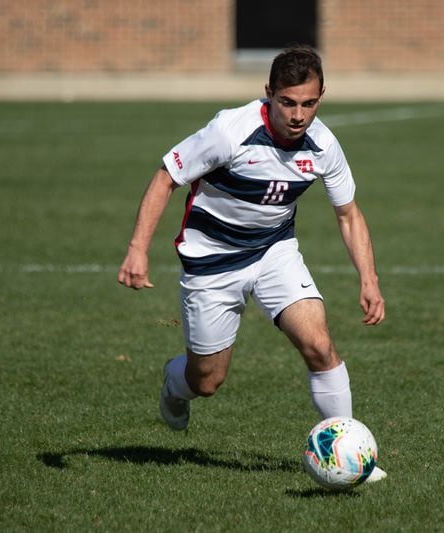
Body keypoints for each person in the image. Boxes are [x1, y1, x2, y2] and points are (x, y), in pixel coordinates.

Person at [118, 45, 386, 481]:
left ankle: (347, 449)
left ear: (321, 97)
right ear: (269, 94)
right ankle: (174, 382)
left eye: (309, 103)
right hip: (212, 263)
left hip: (273, 252)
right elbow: (167, 175)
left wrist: (369, 280)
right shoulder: (230, 132)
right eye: (287, 102)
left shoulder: (323, 145)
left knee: (319, 345)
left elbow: (348, 214)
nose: (298, 115)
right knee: (207, 381)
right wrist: (137, 248)